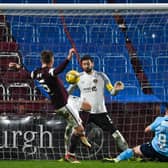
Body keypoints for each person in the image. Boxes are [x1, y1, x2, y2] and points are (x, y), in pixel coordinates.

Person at [8, 48, 91, 163]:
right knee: (79, 128)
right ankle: (71, 154)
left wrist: (18, 67)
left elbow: (27, 75)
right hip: (63, 104)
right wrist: (68, 58)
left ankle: (79, 132)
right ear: (51, 60)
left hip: (67, 99)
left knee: (87, 106)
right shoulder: (49, 72)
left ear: (42, 60)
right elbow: (58, 70)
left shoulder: (37, 73)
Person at [65, 54, 128, 160]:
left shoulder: (101, 76)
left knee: (116, 133)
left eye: (88, 63)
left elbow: (112, 92)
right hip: (84, 113)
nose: (86, 66)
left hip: (100, 112)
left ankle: (128, 154)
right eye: (84, 64)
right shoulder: (77, 77)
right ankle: (68, 154)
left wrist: (116, 89)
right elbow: (66, 93)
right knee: (71, 131)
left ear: (92, 64)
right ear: (81, 65)